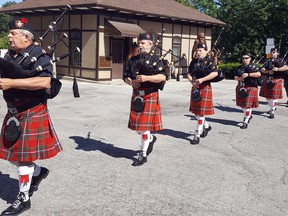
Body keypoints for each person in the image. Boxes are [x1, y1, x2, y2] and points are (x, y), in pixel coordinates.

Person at [0, 18, 62, 215]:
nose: (9, 36)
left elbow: (44, 82)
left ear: (26, 37)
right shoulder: (10, 55)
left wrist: (11, 83)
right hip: (13, 112)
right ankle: (38, 172)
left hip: (31, 111)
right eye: (9, 33)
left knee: (23, 159)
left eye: (14, 33)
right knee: (12, 155)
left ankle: (23, 199)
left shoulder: (39, 55)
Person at [123, 33, 167, 166]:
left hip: (150, 95)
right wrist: (131, 82)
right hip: (137, 95)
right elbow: (125, 76)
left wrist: (147, 78)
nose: (140, 45)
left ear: (150, 44)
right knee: (139, 128)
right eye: (139, 42)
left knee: (144, 127)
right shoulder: (133, 60)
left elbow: (163, 77)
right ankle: (151, 139)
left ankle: (143, 154)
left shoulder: (157, 59)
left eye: (143, 42)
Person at [187, 43, 219, 145]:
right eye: (197, 50)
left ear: (206, 51)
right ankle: (206, 126)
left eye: (200, 50)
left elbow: (215, 73)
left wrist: (202, 80)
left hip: (205, 87)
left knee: (200, 113)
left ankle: (197, 134)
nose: (198, 52)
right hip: (195, 88)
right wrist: (192, 82)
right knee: (196, 113)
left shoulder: (210, 61)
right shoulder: (193, 62)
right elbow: (189, 73)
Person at [234, 52, 261, 129]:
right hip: (241, 87)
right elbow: (235, 76)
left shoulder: (254, 67)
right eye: (243, 58)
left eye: (246, 58)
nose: (245, 60)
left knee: (247, 105)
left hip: (251, 87)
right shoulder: (239, 67)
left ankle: (245, 120)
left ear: (250, 59)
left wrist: (248, 74)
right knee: (242, 105)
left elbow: (259, 74)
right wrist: (238, 78)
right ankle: (248, 115)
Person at [259, 48, 288, 118]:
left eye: (274, 52)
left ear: (277, 53)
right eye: (271, 52)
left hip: (276, 80)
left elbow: (286, 67)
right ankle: (272, 107)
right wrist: (268, 72)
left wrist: (278, 69)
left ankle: (272, 111)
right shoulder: (267, 60)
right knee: (267, 97)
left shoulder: (281, 60)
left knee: (273, 97)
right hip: (267, 79)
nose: (272, 53)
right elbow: (262, 68)